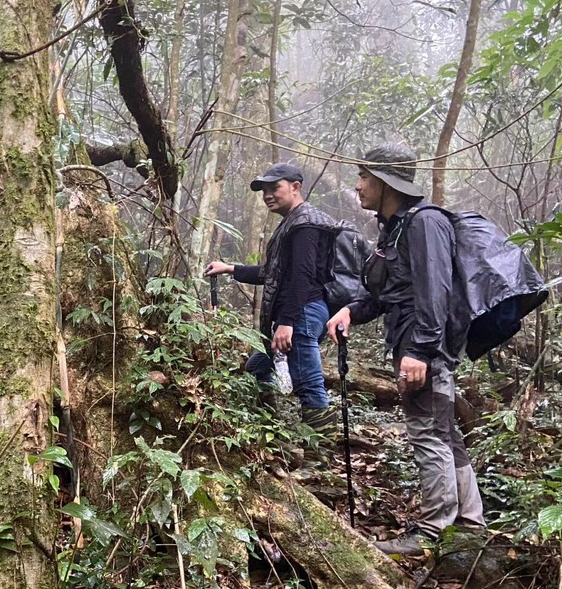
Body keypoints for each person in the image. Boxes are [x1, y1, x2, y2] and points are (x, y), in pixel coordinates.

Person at [325, 143, 485, 555]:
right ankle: (470, 524)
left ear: (383, 182)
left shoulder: (424, 223)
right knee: (444, 431)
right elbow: (389, 294)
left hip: (424, 347)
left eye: (363, 177)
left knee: (427, 432)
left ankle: (433, 532)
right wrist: (350, 311)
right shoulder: (394, 228)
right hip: (415, 343)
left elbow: (435, 292)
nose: (358, 186)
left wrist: (420, 350)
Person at [205, 162, 338, 434]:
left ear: (295, 187)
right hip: (297, 312)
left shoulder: (305, 224)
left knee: (308, 382)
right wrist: (230, 268)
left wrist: (287, 322)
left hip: (302, 312)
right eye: (264, 190)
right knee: (256, 370)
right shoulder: (293, 223)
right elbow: (274, 273)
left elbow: (302, 276)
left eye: (274, 188)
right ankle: (270, 431)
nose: (267, 195)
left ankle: (319, 460)